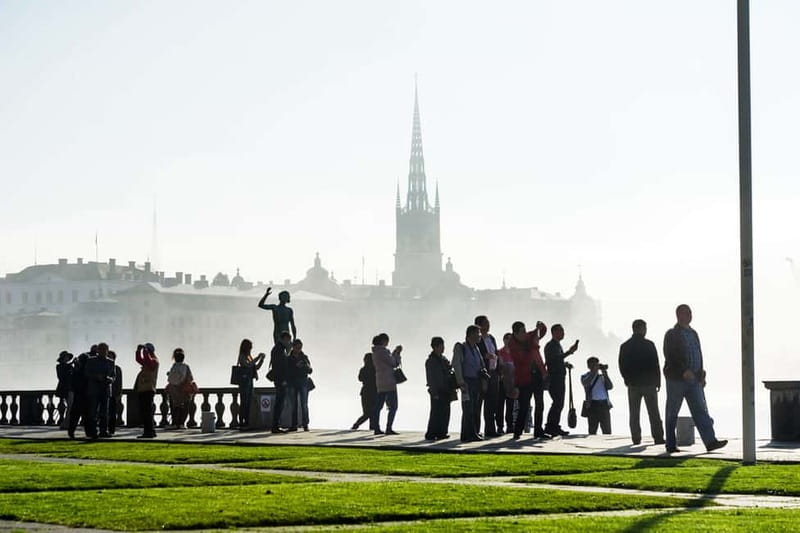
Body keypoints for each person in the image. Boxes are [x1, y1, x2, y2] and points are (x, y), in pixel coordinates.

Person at [663, 304, 728, 453]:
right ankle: (671, 444)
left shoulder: (694, 333)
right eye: (687, 313)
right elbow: (670, 355)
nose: (690, 315)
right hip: (676, 380)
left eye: (690, 313)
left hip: (694, 380)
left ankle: (710, 441)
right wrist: (683, 370)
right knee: (672, 412)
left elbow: (698, 355)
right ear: (679, 315)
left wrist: (701, 375)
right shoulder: (672, 334)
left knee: (700, 410)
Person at [619, 319, 664, 445]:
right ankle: (658, 437)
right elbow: (656, 364)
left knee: (634, 414)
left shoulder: (625, 346)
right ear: (642, 329)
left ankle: (636, 438)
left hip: (633, 384)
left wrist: (627, 380)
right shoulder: (649, 345)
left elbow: (622, 366)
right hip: (649, 383)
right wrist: (658, 381)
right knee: (654, 412)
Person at [508, 321, 549, 440]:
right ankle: (517, 431)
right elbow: (522, 359)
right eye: (522, 332)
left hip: (537, 375)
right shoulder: (513, 344)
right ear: (515, 333)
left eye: (525, 331)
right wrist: (532, 344)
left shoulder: (529, 337)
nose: (524, 333)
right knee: (524, 406)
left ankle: (538, 430)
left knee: (540, 404)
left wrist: (541, 326)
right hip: (524, 378)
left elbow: (541, 332)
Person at [453, 325, 487, 442]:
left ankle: (471, 433)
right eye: (478, 333)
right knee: (468, 409)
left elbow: (481, 364)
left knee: (474, 408)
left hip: (475, 381)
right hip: (466, 382)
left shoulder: (476, 348)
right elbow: (456, 364)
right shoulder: (461, 347)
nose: (480, 336)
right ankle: (468, 434)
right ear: (471, 334)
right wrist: (460, 382)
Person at [544, 324, 579, 437]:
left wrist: (564, 364)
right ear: (554, 332)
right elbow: (553, 360)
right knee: (557, 402)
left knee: (559, 403)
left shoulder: (557, 345)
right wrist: (569, 352)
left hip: (559, 377)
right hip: (554, 378)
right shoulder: (550, 346)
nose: (563, 333)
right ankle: (550, 426)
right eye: (561, 331)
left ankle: (554, 426)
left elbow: (557, 360)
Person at [475, 315, 503, 437]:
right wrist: (486, 356)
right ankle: (475, 430)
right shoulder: (477, 339)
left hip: (493, 372)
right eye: (486, 323)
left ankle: (490, 429)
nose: (488, 325)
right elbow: (478, 354)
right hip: (483, 375)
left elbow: (496, 352)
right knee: (479, 402)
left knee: (492, 403)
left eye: (488, 323)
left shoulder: (491, 338)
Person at [371, 333, 402, 435]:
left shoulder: (375, 353)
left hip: (380, 382)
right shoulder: (383, 352)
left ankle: (376, 427)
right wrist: (397, 353)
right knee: (393, 406)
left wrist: (393, 353)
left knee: (378, 406)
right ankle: (388, 428)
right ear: (384, 341)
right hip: (389, 383)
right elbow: (393, 363)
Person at [425, 336, 454, 441]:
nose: (443, 348)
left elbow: (449, 369)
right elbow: (430, 378)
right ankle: (431, 433)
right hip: (437, 390)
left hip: (446, 389)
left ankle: (442, 432)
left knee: (445, 412)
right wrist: (434, 392)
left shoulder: (444, 359)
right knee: (436, 412)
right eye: (441, 346)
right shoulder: (431, 361)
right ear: (435, 347)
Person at [84, 342, 115, 439]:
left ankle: (103, 431)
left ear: (107, 351)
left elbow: (114, 376)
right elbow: (86, 373)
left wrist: (110, 379)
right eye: (101, 349)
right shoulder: (91, 361)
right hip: (94, 390)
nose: (103, 351)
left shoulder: (111, 362)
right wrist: (96, 377)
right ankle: (93, 431)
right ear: (98, 350)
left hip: (105, 390)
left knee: (104, 412)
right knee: (93, 412)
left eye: (105, 349)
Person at [236, 339, 265, 429]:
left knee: (249, 402)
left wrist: (261, 360)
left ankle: (247, 421)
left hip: (249, 381)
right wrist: (257, 357)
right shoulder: (242, 356)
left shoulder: (249, 356)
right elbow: (248, 365)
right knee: (244, 402)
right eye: (250, 347)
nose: (251, 349)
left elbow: (255, 367)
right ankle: (241, 421)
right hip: (244, 382)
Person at [581, 357, 613, 435]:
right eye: (593, 364)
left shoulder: (601, 377)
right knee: (592, 431)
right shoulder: (585, 376)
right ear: (588, 366)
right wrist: (594, 371)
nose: (595, 366)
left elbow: (610, 386)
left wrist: (605, 373)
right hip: (592, 405)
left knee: (607, 431)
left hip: (604, 404)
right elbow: (586, 383)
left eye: (596, 364)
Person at [268, 331, 292, 433]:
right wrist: (283, 380)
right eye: (288, 340)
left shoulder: (279, 348)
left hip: (279, 380)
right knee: (279, 403)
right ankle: (275, 426)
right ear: (284, 338)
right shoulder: (279, 349)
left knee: (280, 403)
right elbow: (279, 367)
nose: (289, 342)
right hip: (280, 380)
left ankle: (276, 425)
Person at [134, 343, 160, 439]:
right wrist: (138, 351)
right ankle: (150, 431)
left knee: (147, 412)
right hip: (143, 389)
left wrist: (145, 351)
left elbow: (149, 362)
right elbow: (139, 359)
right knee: (145, 412)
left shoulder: (154, 361)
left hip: (148, 389)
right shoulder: (147, 361)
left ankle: (148, 432)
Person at [287, 338, 312, 431]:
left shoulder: (304, 357)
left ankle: (305, 424)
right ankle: (294, 425)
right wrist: (295, 367)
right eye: (297, 348)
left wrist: (304, 366)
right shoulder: (289, 358)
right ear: (293, 347)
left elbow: (310, 370)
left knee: (304, 404)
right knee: (294, 404)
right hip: (293, 383)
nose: (299, 350)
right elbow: (287, 371)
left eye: (300, 348)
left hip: (303, 382)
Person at [67, 347, 93, 439]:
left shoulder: (76, 370)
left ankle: (71, 431)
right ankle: (89, 432)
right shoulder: (87, 371)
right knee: (87, 416)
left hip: (78, 395)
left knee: (75, 415)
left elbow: (72, 382)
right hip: (86, 394)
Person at [166, 348, 194, 429]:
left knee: (174, 407)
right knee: (184, 407)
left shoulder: (174, 366)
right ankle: (182, 423)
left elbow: (170, 379)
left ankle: (174, 423)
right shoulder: (186, 366)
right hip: (183, 390)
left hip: (173, 390)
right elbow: (190, 378)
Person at [351, 353, 377, 430]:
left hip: (365, 392)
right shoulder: (375, 369)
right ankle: (369, 427)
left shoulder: (363, 369)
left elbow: (360, 378)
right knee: (372, 413)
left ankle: (357, 425)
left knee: (368, 413)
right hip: (374, 392)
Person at [498, 333, 517, 434]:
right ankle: (500, 426)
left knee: (510, 405)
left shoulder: (515, 353)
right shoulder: (500, 352)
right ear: (504, 340)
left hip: (512, 382)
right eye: (508, 339)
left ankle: (510, 426)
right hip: (502, 382)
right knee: (500, 405)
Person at [55, 351, 74, 430]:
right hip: (65, 389)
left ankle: (66, 423)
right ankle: (65, 424)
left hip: (70, 388)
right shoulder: (59, 366)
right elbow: (62, 376)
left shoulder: (69, 366)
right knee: (70, 406)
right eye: (66, 357)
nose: (67, 358)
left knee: (70, 407)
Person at [107, 351, 123, 436]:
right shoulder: (104, 367)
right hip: (105, 393)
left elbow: (119, 383)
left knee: (113, 413)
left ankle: (111, 430)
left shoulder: (117, 369)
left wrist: (119, 393)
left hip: (113, 394)